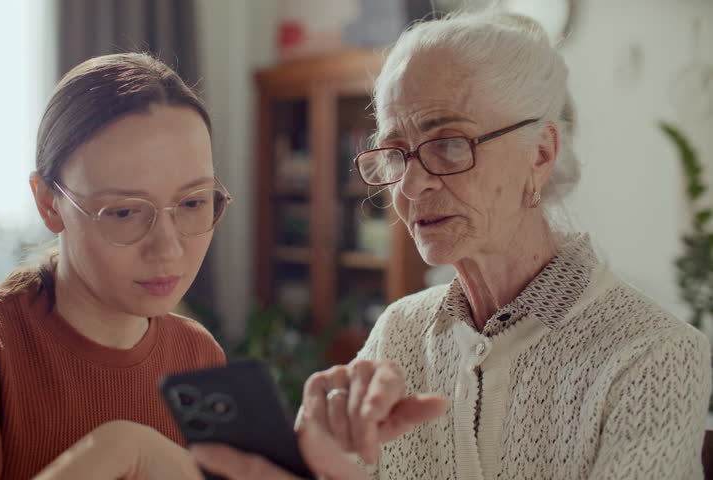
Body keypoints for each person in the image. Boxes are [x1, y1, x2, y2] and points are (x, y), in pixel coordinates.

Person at [197, 10, 713, 480]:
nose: (410, 185)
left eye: (447, 144)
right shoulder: (400, 330)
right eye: (396, 153)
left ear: (540, 153)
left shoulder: (656, 355)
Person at [0, 52, 232, 479]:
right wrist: (117, 451)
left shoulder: (199, 357)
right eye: (124, 212)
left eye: (192, 203)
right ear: (48, 203)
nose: (168, 249)